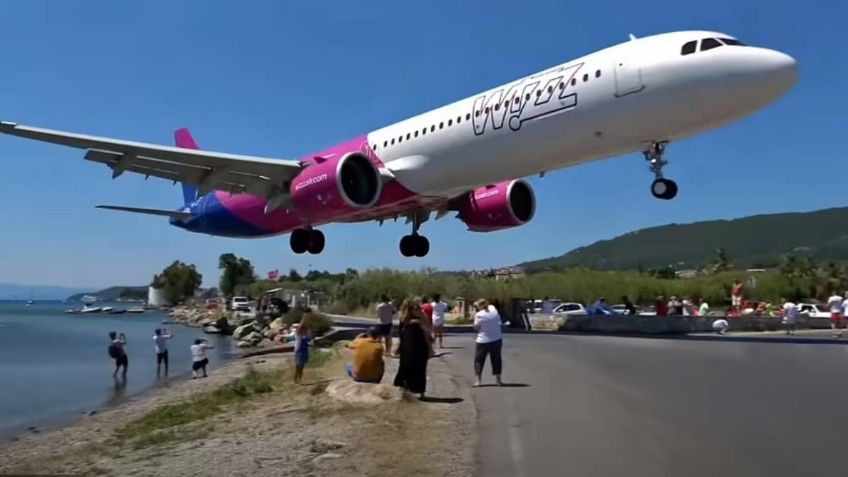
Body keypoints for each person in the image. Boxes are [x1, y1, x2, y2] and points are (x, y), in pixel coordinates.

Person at [393, 299, 430, 398]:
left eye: (418, 308)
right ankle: (404, 390)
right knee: (405, 367)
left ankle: (421, 391)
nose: (418, 310)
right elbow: (401, 334)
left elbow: (428, 330)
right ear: (409, 309)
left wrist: (420, 322)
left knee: (420, 369)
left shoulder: (421, 317)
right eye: (415, 309)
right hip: (407, 347)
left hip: (420, 347)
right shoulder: (403, 319)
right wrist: (398, 347)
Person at [473, 299, 503, 387]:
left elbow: (476, 327)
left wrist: (475, 312)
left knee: (479, 360)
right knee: (496, 360)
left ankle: (478, 381)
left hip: (483, 340)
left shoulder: (478, 315)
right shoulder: (493, 309)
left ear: (479, 306)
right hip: (496, 338)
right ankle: (498, 381)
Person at [293, 308, 312, 384]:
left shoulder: (305, 335)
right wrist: (304, 317)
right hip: (299, 350)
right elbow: (300, 326)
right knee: (298, 366)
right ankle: (295, 379)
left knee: (302, 366)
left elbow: (309, 331)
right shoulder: (298, 335)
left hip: (304, 350)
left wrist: (308, 319)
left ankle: (299, 380)